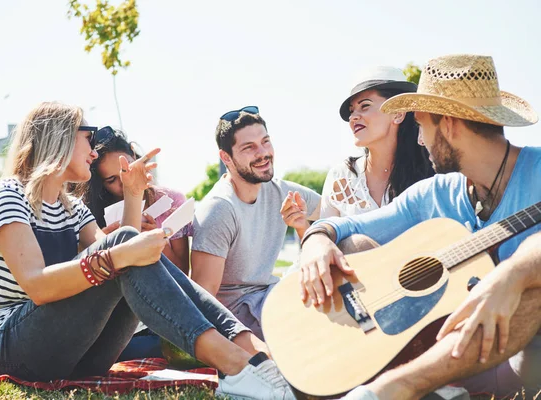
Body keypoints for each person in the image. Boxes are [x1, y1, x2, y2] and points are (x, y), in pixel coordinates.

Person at [0, 101, 295, 399]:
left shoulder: (71, 209)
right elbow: (37, 286)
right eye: (88, 138)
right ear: (60, 139)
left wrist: (133, 194)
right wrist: (119, 252)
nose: (93, 152)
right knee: (125, 249)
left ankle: (260, 358)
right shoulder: (7, 196)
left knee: (131, 250)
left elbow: (123, 261)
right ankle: (236, 364)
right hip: (6, 348)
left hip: (75, 354)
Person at [298, 54, 541, 399]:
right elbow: (349, 227)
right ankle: (358, 371)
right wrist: (317, 238)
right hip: (453, 352)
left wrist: (513, 274)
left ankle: (395, 387)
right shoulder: (438, 192)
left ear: (450, 125)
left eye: (423, 125)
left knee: (534, 292)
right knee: (357, 248)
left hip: (521, 355)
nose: (420, 139)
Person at [192, 106, 321, 340]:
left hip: (273, 298)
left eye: (265, 142)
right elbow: (203, 301)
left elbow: (339, 216)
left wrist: (304, 229)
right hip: (237, 319)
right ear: (226, 157)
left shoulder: (282, 191)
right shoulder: (218, 209)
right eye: (249, 147)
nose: (263, 153)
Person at [73, 126, 193, 362]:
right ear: (100, 184)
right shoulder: (88, 212)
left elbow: (182, 272)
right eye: (112, 180)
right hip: (114, 321)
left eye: (127, 169)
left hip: (159, 314)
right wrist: (108, 240)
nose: (124, 182)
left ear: (136, 159)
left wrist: (156, 238)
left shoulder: (170, 201)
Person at [321, 66, 434, 218]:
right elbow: (323, 238)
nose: (353, 117)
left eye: (365, 106)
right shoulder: (340, 177)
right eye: (352, 110)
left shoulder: (433, 174)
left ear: (398, 114)